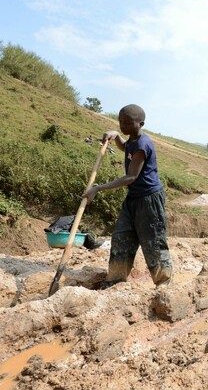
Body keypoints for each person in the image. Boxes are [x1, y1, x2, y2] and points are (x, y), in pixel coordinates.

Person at [82, 104, 173, 289]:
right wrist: (116, 135)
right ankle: (115, 281)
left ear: (141, 123)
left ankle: (164, 284)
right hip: (133, 199)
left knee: (153, 242)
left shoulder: (142, 144)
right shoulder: (132, 139)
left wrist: (97, 188)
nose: (123, 125)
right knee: (121, 237)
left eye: (127, 123)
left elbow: (131, 177)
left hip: (149, 200)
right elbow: (125, 147)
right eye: (120, 122)